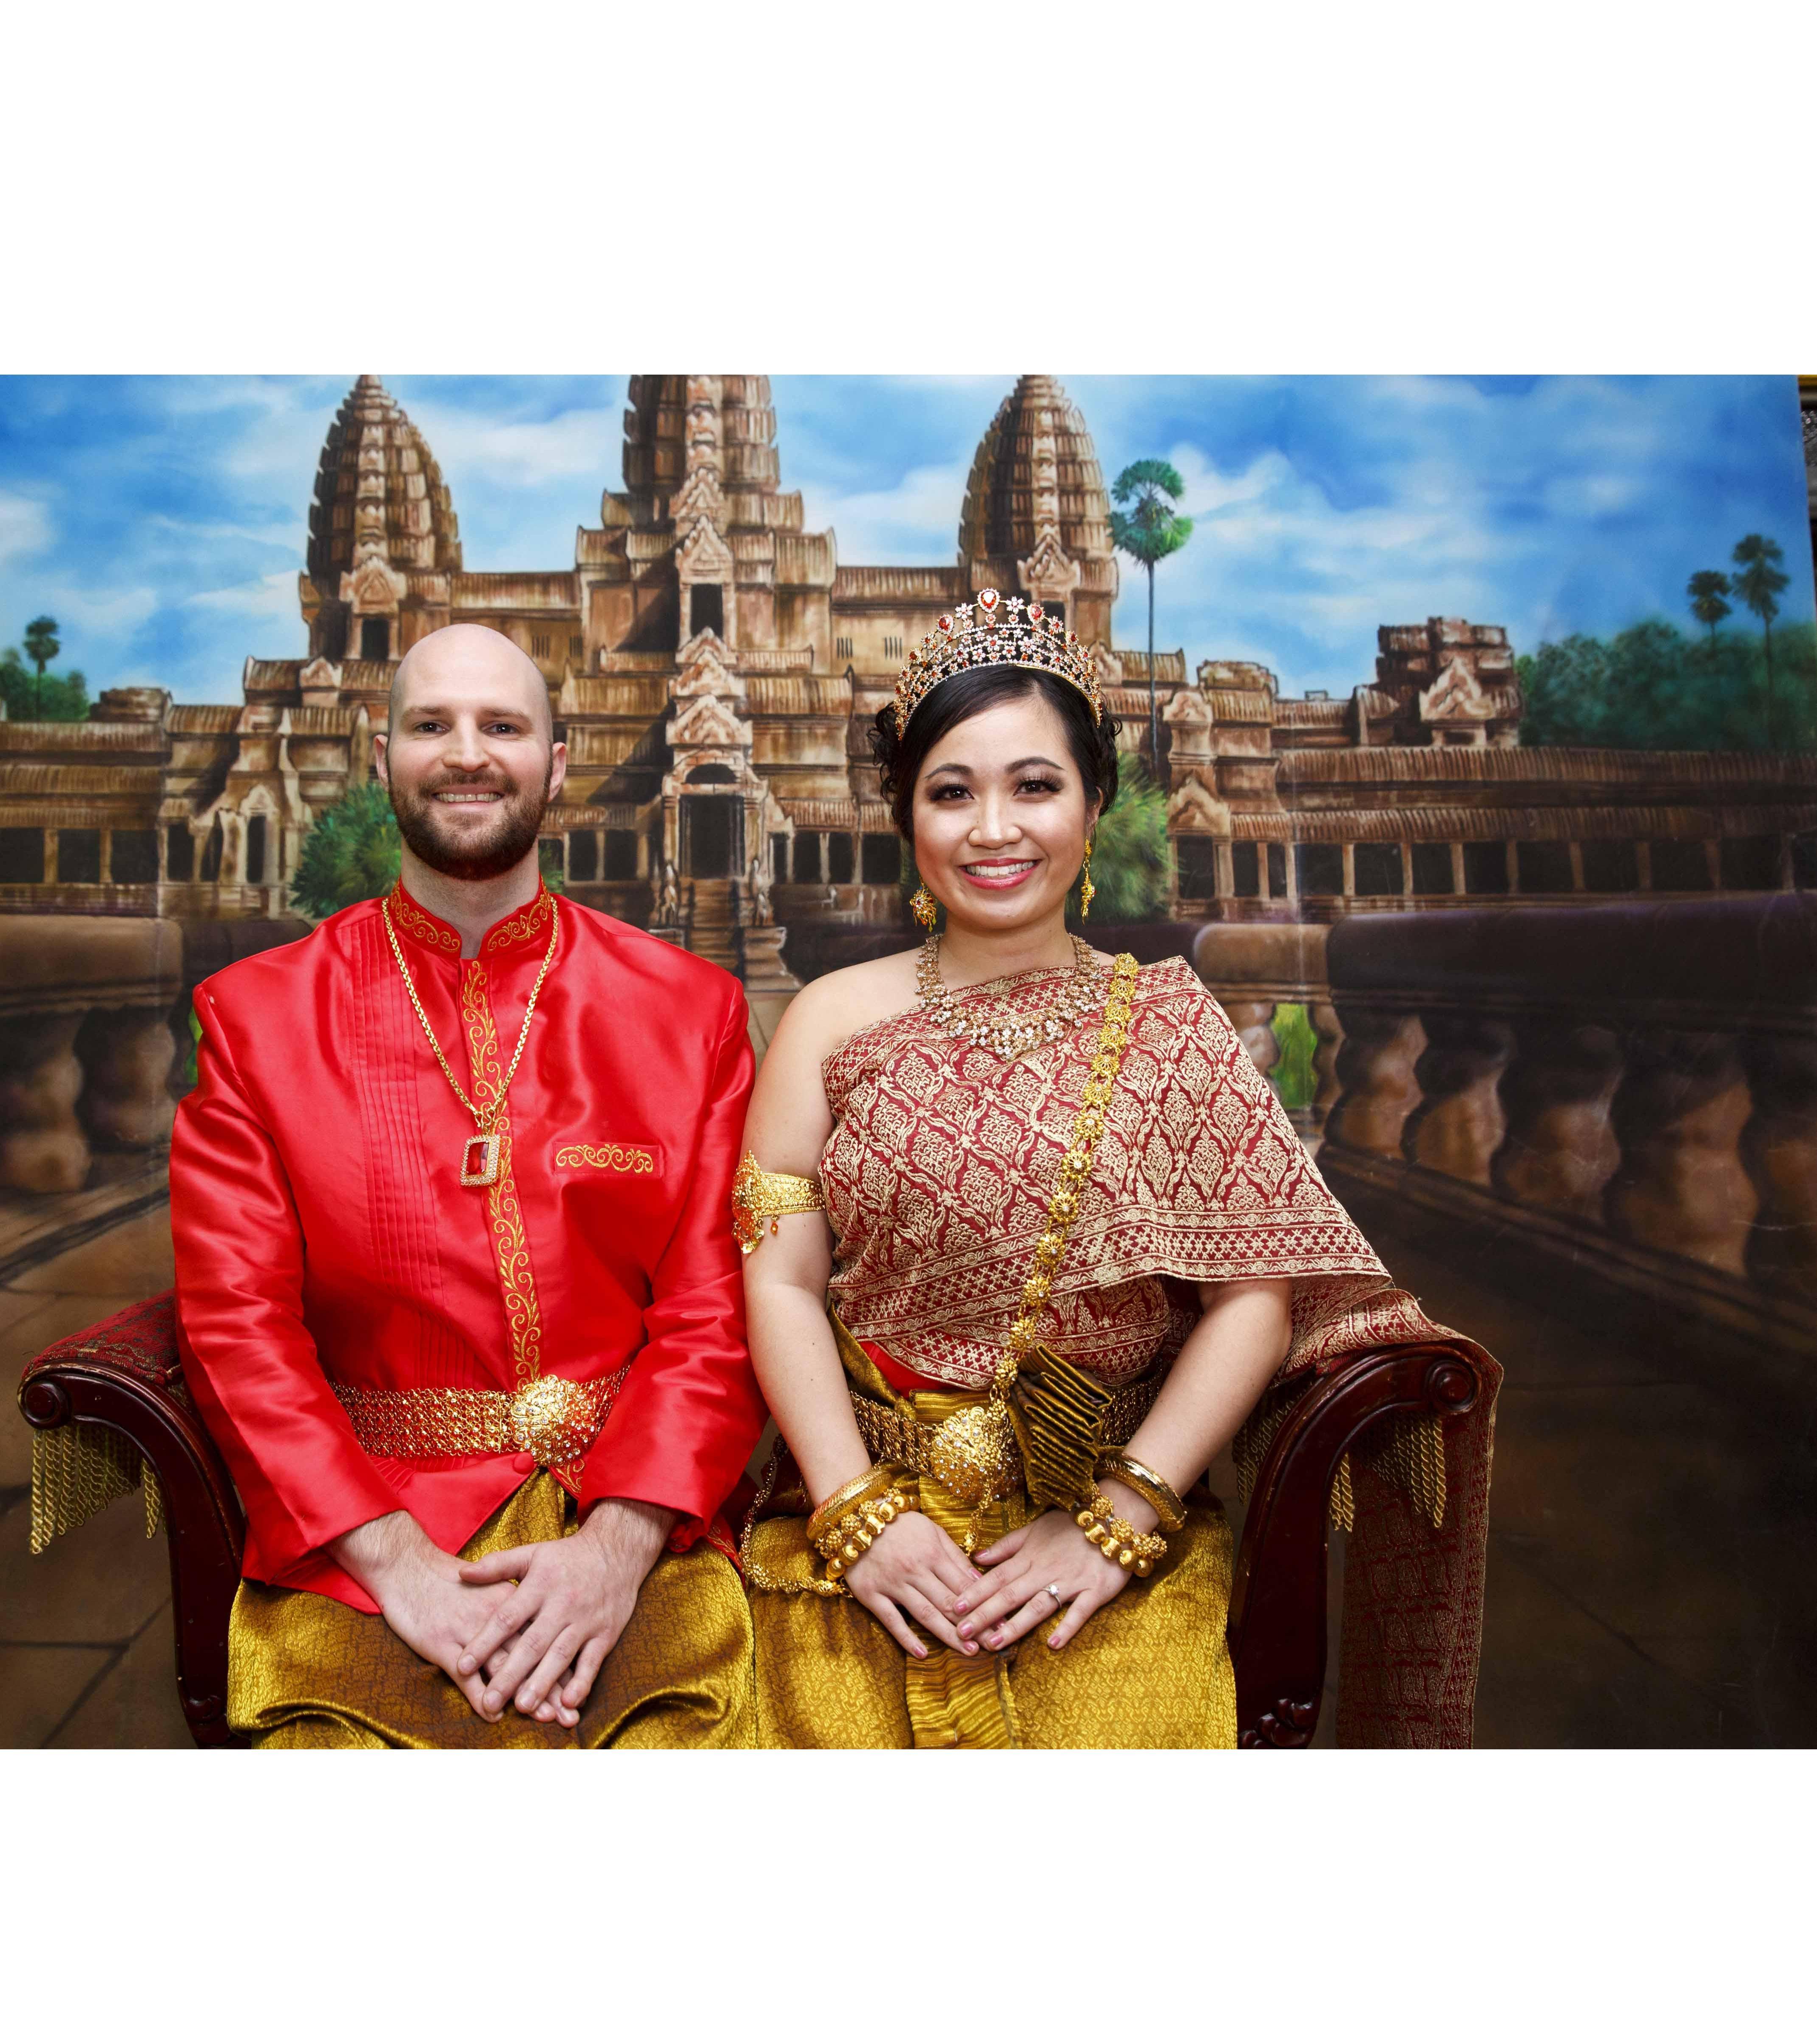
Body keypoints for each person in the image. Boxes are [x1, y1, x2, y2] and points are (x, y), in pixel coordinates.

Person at [735, 589, 1497, 1748]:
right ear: (907, 817)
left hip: (1097, 1528)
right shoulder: (828, 1021)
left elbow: (1253, 1297)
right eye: (952, 791)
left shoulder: (1167, 1023)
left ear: (1093, 806)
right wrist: (854, 1512)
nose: (994, 829)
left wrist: (1120, 1515)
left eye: (1035, 786)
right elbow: (781, 1280)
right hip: (864, 1520)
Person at [172, 623, 764, 1747]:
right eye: (431, 725)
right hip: (371, 1530)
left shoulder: (688, 1012)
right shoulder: (255, 1019)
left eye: (502, 725)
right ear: (380, 755)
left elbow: (715, 1309)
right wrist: (397, 1564)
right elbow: (237, 1324)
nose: (467, 754)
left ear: (556, 761)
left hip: (630, 1511)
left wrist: (616, 1548)